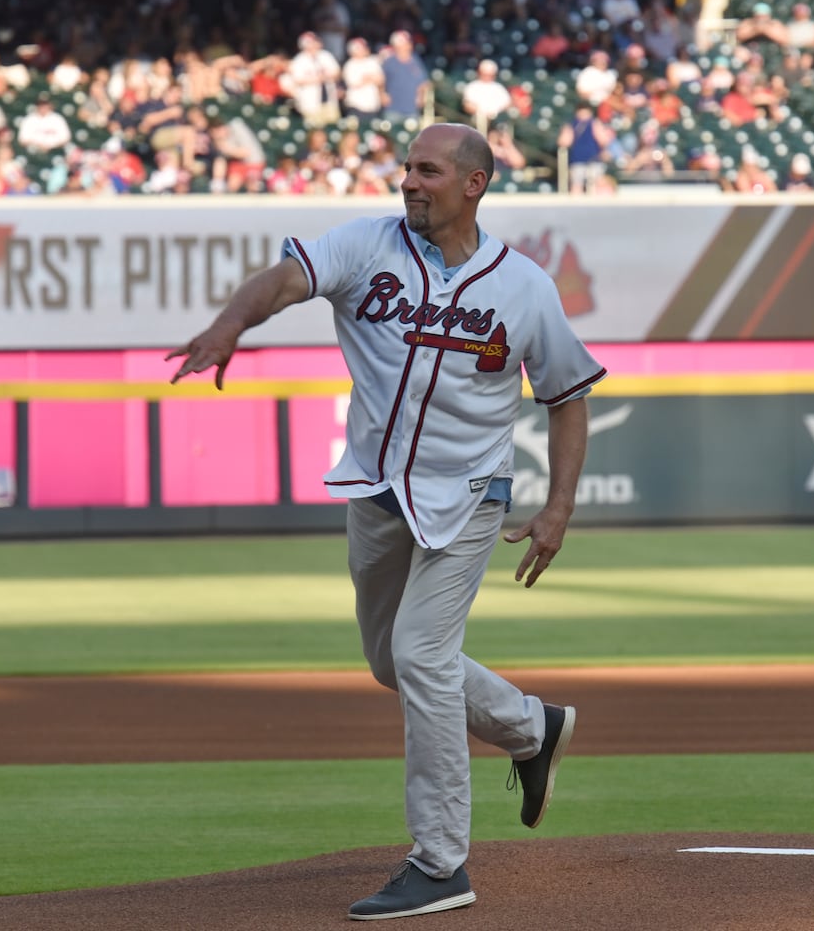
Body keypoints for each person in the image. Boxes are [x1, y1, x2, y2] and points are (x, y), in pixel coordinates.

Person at [167, 123, 604, 921]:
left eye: (429, 170)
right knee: (388, 661)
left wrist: (559, 508)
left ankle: (441, 864)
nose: (410, 181)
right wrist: (235, 321)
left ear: (473, 184)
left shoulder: (524, 286)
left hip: (469, 493)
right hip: (376, 488)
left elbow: (568, 395)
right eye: (407, 167)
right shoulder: (366, 247)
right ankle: (528, 726)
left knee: (420, 654)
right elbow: (283, 279)